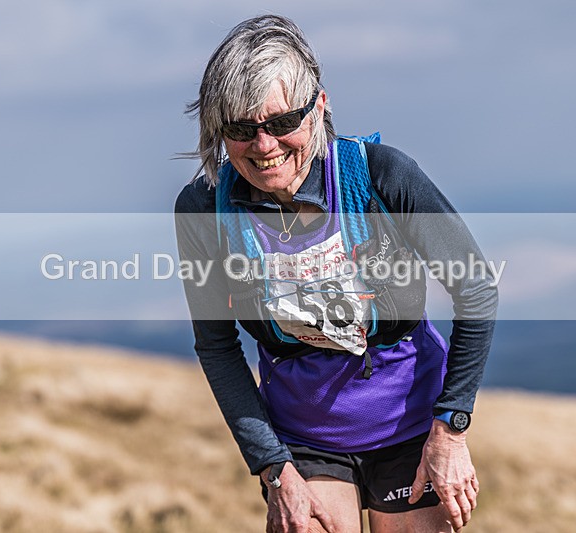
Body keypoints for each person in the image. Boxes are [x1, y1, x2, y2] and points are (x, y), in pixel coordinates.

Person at [175, 14, 497, 533]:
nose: (264, 145)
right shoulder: (203, 209)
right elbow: (217, 346)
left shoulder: (381, 176)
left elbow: (476, 287)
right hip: (302, 438)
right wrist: (273, 468)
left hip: (414, 425)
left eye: (283, 122)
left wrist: (451, 430)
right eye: (240, 129)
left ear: (319, 105)